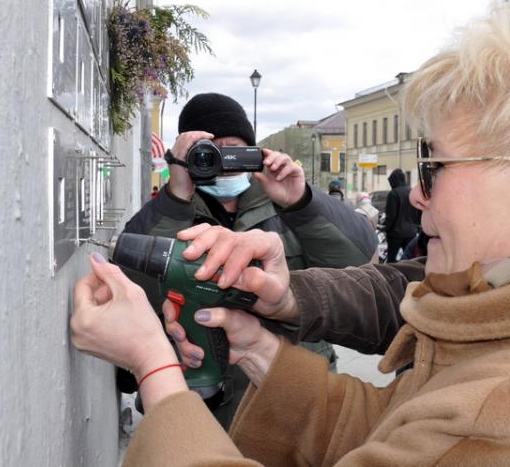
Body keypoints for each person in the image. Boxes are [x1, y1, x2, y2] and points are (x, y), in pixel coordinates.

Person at [71, 0, 510, 465]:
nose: (416, 192)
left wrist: (155, 368)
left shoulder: (509, 415)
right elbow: (387, 426)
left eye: (434, 165)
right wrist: (259, 350)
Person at [117, 92, 377, 427]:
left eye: (235, 150)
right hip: (202, 402)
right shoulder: (170, 210)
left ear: (252, 152)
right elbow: (129, 285)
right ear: (188, 156)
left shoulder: (287, 205)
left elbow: (360, 260)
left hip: (292, 394)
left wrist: (302, 201)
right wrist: (175, 196)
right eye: (212, 152)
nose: (224, 162)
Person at [384, 169, 417, 262]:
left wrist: (387, 229)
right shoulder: (411, 191)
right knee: (411, 260)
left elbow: (391, 216)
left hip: (395, 234)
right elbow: (417, 212)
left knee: (391, 260)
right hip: (411, 232)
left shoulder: (393, 193)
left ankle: (391, 276)